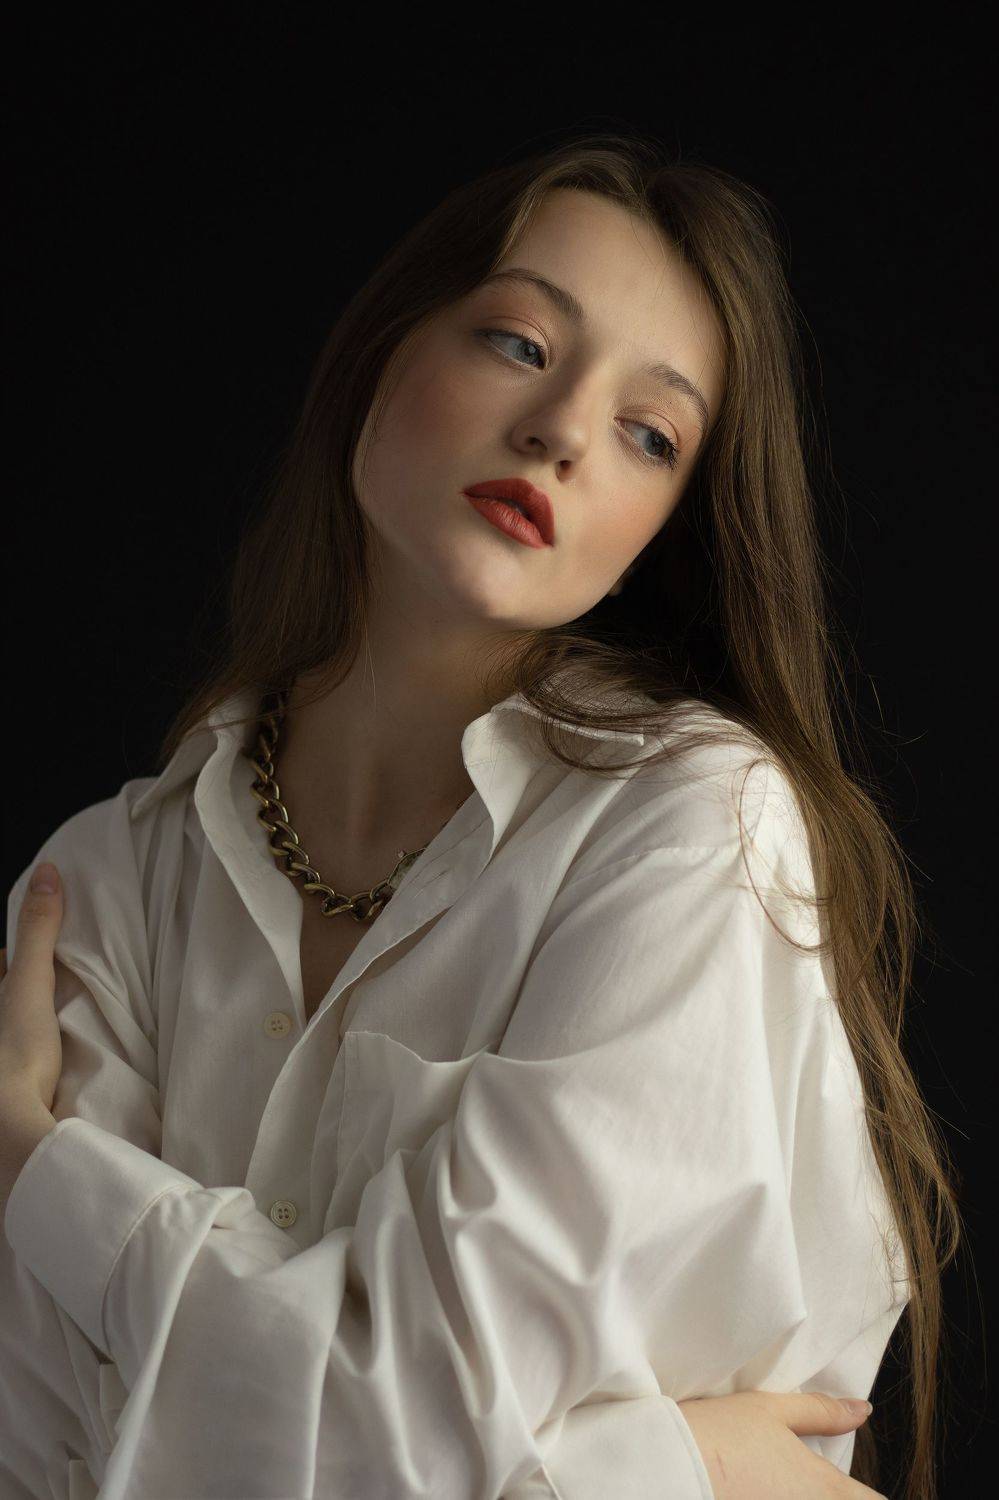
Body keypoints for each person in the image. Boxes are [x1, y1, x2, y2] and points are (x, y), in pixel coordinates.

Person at [0, 132, 958, 1499]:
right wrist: (665, 1466)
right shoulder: (104, 882)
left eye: (649, 434)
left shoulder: (690, 829)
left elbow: (310, 1440)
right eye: (520, 343)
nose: (562, 430)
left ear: (662, 530)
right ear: (382, 353)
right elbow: (54, 1460)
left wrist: (36, 1170)